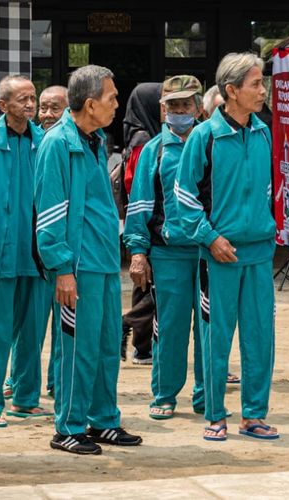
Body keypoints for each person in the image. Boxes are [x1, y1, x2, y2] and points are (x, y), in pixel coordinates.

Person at [34, 64, 142, 454]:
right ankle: (68, 426)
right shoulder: (58, 143)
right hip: (75, 267)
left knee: (105, 345)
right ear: (91, 103)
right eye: (112, 98)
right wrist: (61, 267)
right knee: (74, 348)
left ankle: (103, 420)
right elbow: (47, 213)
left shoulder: (95, 140)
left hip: (102, 263)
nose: (118, 104)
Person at [176, 52, 278, 441]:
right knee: (216, 338)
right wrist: (210, 237)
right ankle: (215, 415)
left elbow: (268, 190)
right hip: (219, 255)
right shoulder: (204, 136)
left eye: (263, 82)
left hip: (259, 253)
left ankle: (254, 415)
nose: (263, 90)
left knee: (259, 338)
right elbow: (184, 198)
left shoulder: (263, 131)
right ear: (231, 91)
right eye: (256, 84)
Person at [123, 75, 206, 419]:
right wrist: (138, 252)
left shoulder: (212, 143)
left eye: (186, 104)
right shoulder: (153, 151)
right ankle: (165, 395)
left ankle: (207, 396)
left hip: (208, 251)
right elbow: (139, 203)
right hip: (168, 252)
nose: (180, 111)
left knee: (209, 328)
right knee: (169, 327)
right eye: (173, 105)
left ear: (199, 107)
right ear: (162, 110)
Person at [0, 75, 52, 427]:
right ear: (2, 106)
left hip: (36, 256)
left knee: (33, 331)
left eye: (32, 97)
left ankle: (25, 398)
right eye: (22, 99)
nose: (30, 104)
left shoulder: (44, 142)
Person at [120, 82, 162, 365]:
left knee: (145, 286)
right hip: (148, 221)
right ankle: (126, 323)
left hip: (143, 222)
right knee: (157, 287)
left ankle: (142, 348)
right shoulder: (145, 140)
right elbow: (137, 184)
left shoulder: (138, 135)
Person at [36, 84, 68, 400]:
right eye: (43, 107)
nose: (46, 114)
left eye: (54, 107)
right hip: (28, 253)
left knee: (63, 325)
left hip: (58, 250)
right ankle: (22, 381)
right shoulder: (33, 141)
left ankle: (56, 381)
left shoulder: (71, 144)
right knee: (28, 326)